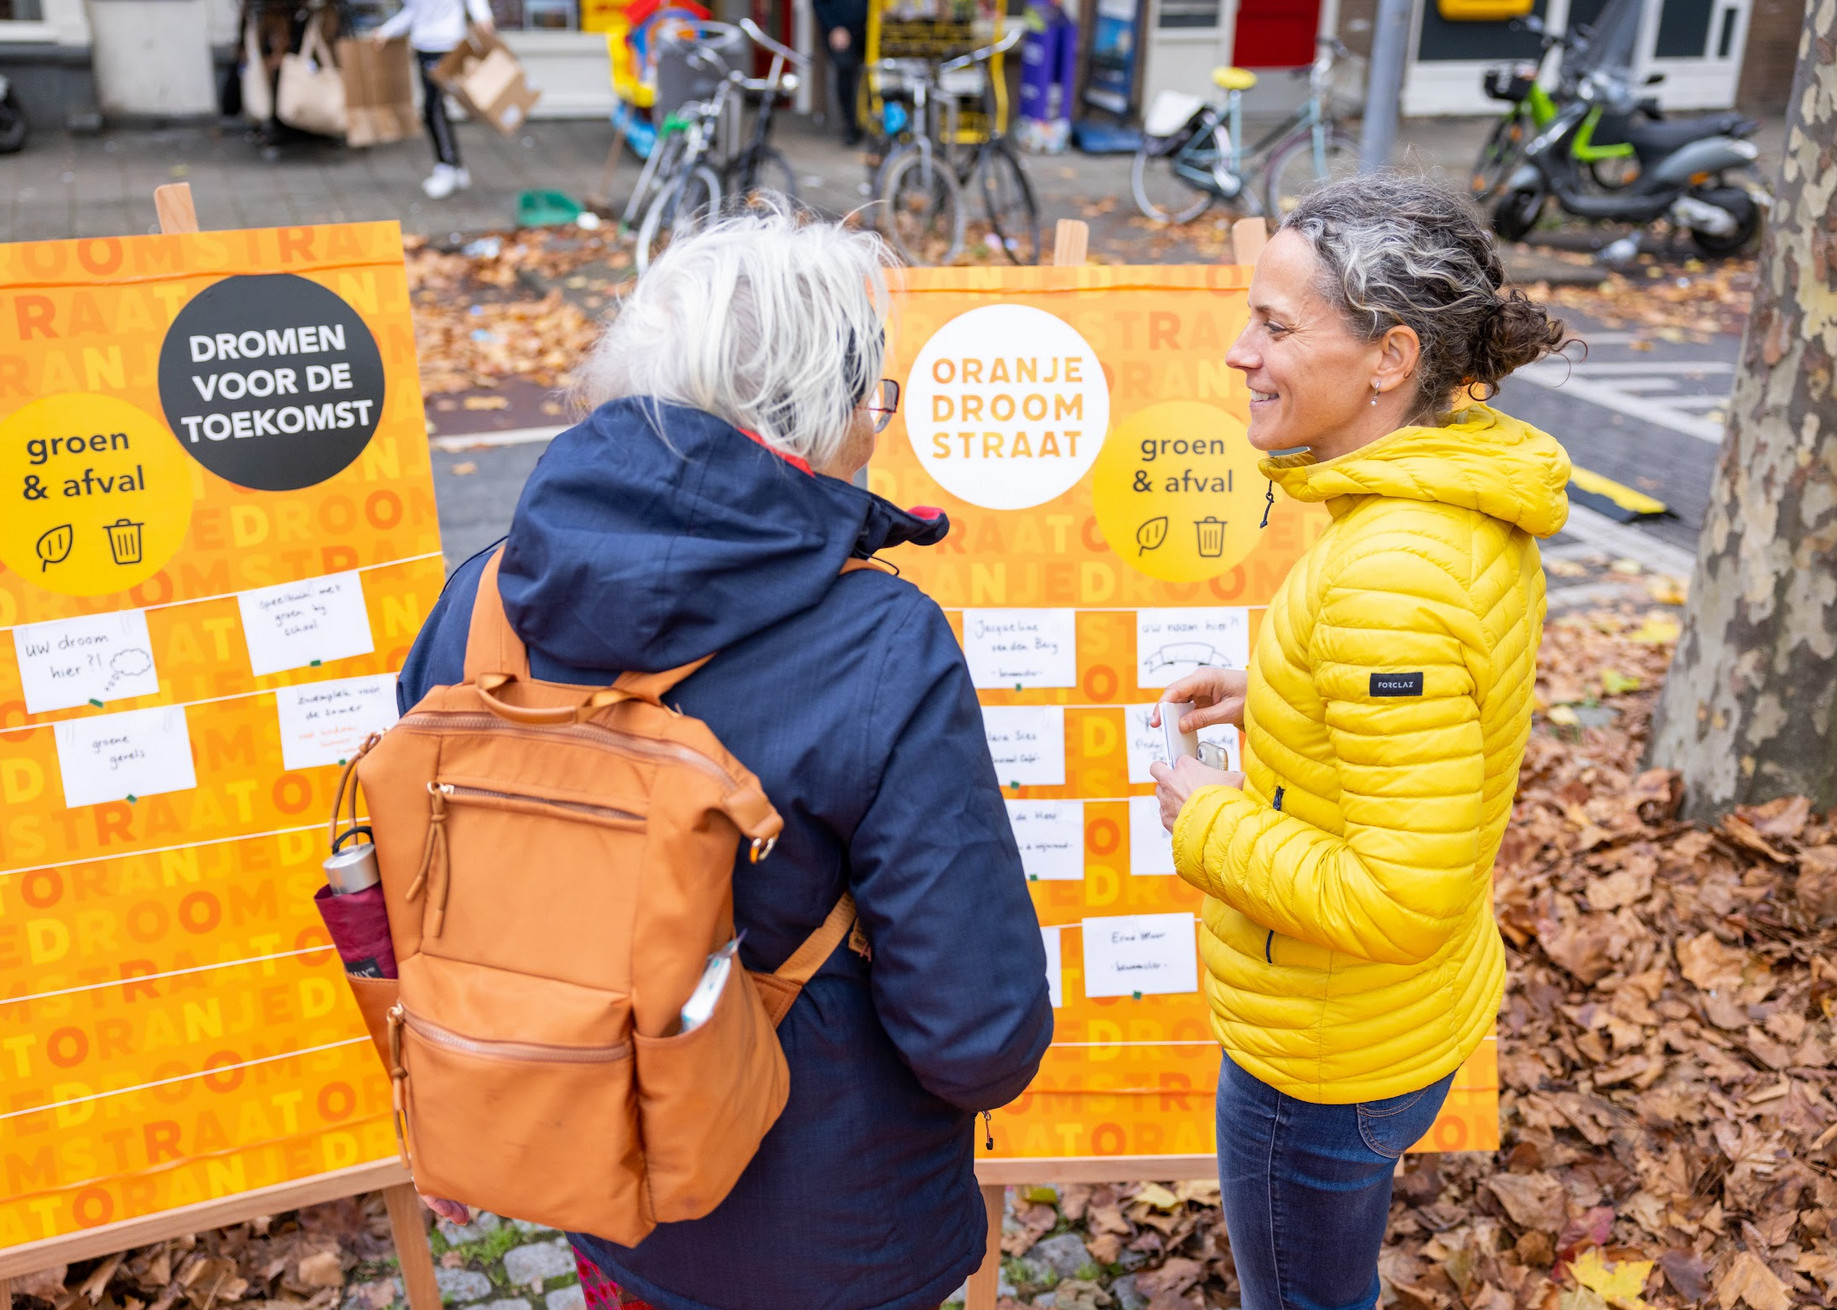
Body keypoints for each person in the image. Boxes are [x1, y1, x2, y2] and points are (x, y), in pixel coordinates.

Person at [396, 210, 1054, 1310]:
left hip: (587, 1160)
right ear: (810, 414)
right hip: (833, 1223)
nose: (876, 429)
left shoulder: (482, 602)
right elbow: (974, 1031)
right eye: (872, 397)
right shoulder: (881, 642)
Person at [1148, 175, 1570, 1310]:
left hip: (1326, 1050)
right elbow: (1441, 710)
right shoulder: (1448, 500)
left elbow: (1392, 895)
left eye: (1276, 326)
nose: (1239, 352)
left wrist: (1209, 818)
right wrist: (1279, 693)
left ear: (1388, 359)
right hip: (1393, 1020)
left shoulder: (1385, 570)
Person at [372, 0, 494, 198]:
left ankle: (448, 167)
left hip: (449, 45)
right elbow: (413, 12)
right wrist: (387, 31)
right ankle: (454, 165)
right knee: (436, 108)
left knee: (433, 108)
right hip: (424, 48)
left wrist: (483, 17)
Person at [812, 0, 867, 145]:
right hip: (840, 29)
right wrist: (834, 27)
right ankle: (850, 125)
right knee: (845, 70)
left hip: (868, 28)